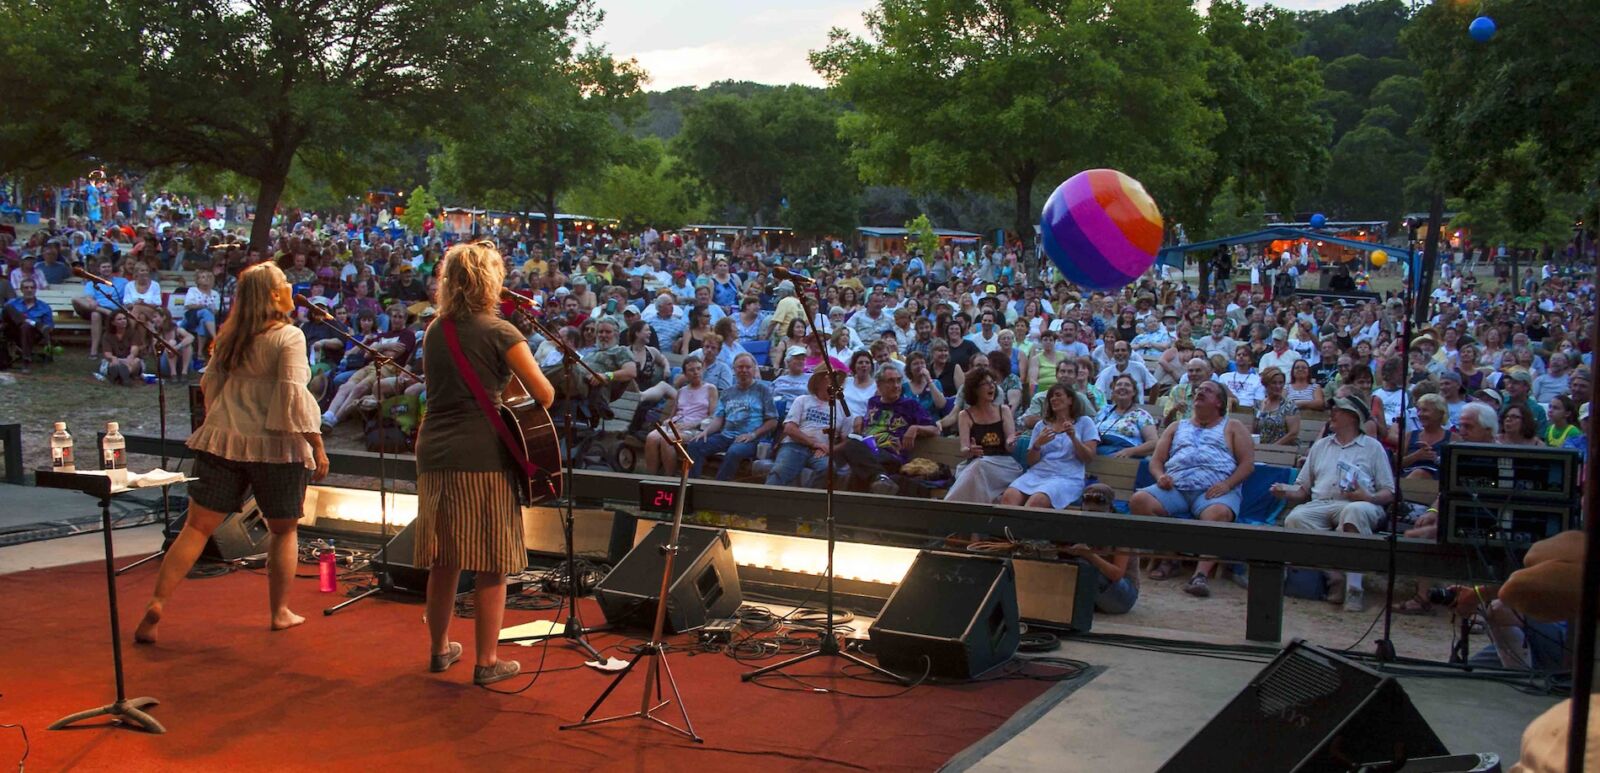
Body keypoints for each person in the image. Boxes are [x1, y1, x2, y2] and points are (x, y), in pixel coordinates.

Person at [134, 262, 330, 645]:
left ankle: (157, 603)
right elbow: (293, 395)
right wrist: (317, 444)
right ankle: (279, 612)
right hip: (276, 444)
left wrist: (224, 420)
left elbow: (209, 387)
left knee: (195, 528)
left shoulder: (229, 336)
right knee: (283, 529)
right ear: (274, 295)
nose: (291, 286)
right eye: (285, 283)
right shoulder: (288, 336)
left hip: (224, 439)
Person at [410, 241, 555, 686]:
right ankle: (486, 661)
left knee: (446, 557)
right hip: (482, 456)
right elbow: (544, 394)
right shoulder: (500, 331)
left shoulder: (437, 329)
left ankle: (439, 650)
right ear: (490, 280)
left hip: (434, 450)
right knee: (491, 561)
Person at [1273, 395, 1395, 613]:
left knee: (1353, 512)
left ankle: (1354, 588)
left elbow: (1389, 492)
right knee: (1295, 519)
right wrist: (1285, 491)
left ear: (1352, 417)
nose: (1332, 414)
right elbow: (1302, 490)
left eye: (1337, 410)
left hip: (1362, 504)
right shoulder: (1320, 446)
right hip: (1321, 503)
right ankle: (1335, 576)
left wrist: (1368, 497)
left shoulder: (1373, 447)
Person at [1133, 381, 1254, 598]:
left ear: (1219, 402)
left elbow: (1247, 464)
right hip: (1176, 488)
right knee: (1139, 500)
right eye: (1198, 391)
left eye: (1207, 391)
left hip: (1214, 490)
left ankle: (1200, 575)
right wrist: (1161, 477)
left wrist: (1227, 485)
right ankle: (1171, 557)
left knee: (1216, 514)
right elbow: (1156, 461)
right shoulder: (1176, 427)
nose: (1199, 393)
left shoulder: (1233, 426)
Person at [836, 362, 939, 494]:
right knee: (851, 446)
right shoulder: (873, 402)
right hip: (869, 454)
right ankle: (881, 479)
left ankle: (880, 480)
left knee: (856, 467)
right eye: (890, 381)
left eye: (898, 381)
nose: (896, 386)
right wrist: (860, 418)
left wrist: (915, 428)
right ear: (879, 385)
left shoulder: (910, 405)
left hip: (891, 456)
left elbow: (935, 429)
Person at [1001, 385, 1098, 508]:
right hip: (1038, 474)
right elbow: (1031, 462)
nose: (1053, 399)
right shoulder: (1041, 426)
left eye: (1058, 395)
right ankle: (1007, 528)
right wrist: (1037, 444)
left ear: (1070, 400)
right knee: (1008, 496)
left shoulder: (1085, 422)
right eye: (1051, 396)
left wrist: (1074, 438)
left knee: (1037, 501)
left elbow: (1088, 458)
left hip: (1067, 477)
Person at [684, 353, 778, 481]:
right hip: (725, 436)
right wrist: (706, 432)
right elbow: (719, 418)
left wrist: (753, 435)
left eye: (747, 367)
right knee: (695, 444)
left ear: (754, 369)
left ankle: (718, 488)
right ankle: (692, 483)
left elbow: (773, 421)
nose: (744, 370)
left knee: (734, 451)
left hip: (750, 439)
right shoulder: (727, 393)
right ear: (734, 369)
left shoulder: (763, 390)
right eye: (740, 367)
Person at [945, 369, 1022, 504]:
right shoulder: (965, 415)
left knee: (979, 467)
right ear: (975, 390)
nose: (991, 386)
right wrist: (970, 451)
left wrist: (1010, 442)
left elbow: (1010, 447)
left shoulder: (1003, 410)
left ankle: (948, 506)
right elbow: (964, 449)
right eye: (985, 384)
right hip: (976, 465)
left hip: (1002, 466)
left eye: (992, 383)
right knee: (978, 467)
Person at [645, 355, 717, 475]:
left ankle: (670, 477)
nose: (696, 372)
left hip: (695, 427)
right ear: (685, 373)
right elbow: (673, 414)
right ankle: (650, 477)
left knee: (667, 440)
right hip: (677, 425)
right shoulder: (682, 391)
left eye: (698, 369)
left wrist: (693, 424)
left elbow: (712, 416)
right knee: (651, 437)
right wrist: (668, 421)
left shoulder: (710, 389)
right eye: (691, 370)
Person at [766, 370, 838, 488]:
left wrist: (829, 448)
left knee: (829, 469)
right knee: (780, 471)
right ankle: (766, 502)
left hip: (820, 452)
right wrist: (815, 443)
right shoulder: (802, 400)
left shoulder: (841, 408)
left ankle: (807, 503)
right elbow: (789, 429)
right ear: (819, 381)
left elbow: (846, 440)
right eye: (829, 378)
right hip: (794, 445)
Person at [70, 257, 128, 357]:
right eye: (104, 267)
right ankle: (94, 350)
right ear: (99, 269)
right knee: (78, 301)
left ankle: (95, 350)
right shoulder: (92, 282)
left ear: (112, 268)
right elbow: (89, 297)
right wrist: (91, 301)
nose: (106, 269)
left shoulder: (122, 282)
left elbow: (127, 297)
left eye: (108, 266)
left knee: (95, 314)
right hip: (98, 307)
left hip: (114, 311)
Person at [1095, 374, 1159, 457]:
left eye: (1127, 385)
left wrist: (1131, 451)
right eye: (1119, 385)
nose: (1122, 387)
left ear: (1134, 392)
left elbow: (1153, 442)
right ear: (1113, 391)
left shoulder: (1141, 415)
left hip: (1124, 454)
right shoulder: (1104, 411)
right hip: (1099, 448)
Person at [1, 278, 52, 372]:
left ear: (35, 289)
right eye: (26, 287)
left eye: (32, 287)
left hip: (33, 334)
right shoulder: (13, 303)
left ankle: (26, 361)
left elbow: (48, 327)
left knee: (26, 326)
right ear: (21, 290)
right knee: (7, 307)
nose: (29, 290)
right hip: (13, 332)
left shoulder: (44, 307)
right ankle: (34, 323)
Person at [1401, 393, 1453, 479]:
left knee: (1420, 473)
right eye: (1419, 410)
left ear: (1440, 413)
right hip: (1407, 480)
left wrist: (1437, 459)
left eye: (1425, 410)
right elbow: (1395, 465)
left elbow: (1456, 468)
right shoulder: (1409, 436)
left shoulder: (1453, 438)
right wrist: (1416, 456)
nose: (1420, 414)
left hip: (1436, 484)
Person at [1254, 366, 1301, 446]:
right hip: (1261, 449)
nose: (1278, 386)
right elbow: (1254, 430)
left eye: (1281, 383)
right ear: (1266, 384)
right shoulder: (1259, 405)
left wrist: (1273, 448)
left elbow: (1293, 433)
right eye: (1274, 383)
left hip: (1284, 450)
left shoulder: (1289, 406)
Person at [99, 309, 144, 385]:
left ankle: (121, 375)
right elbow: (107, 353)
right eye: (119, 319)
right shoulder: (107, 335)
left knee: (136, 361)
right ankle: (123, 376)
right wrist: (113, 358)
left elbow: (135, 348)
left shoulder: (133, 332)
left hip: (129, 359)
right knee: (113, 363)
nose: (123, 321)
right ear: (113, 322)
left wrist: (131, 355)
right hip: (116, 359)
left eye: (124, 318)